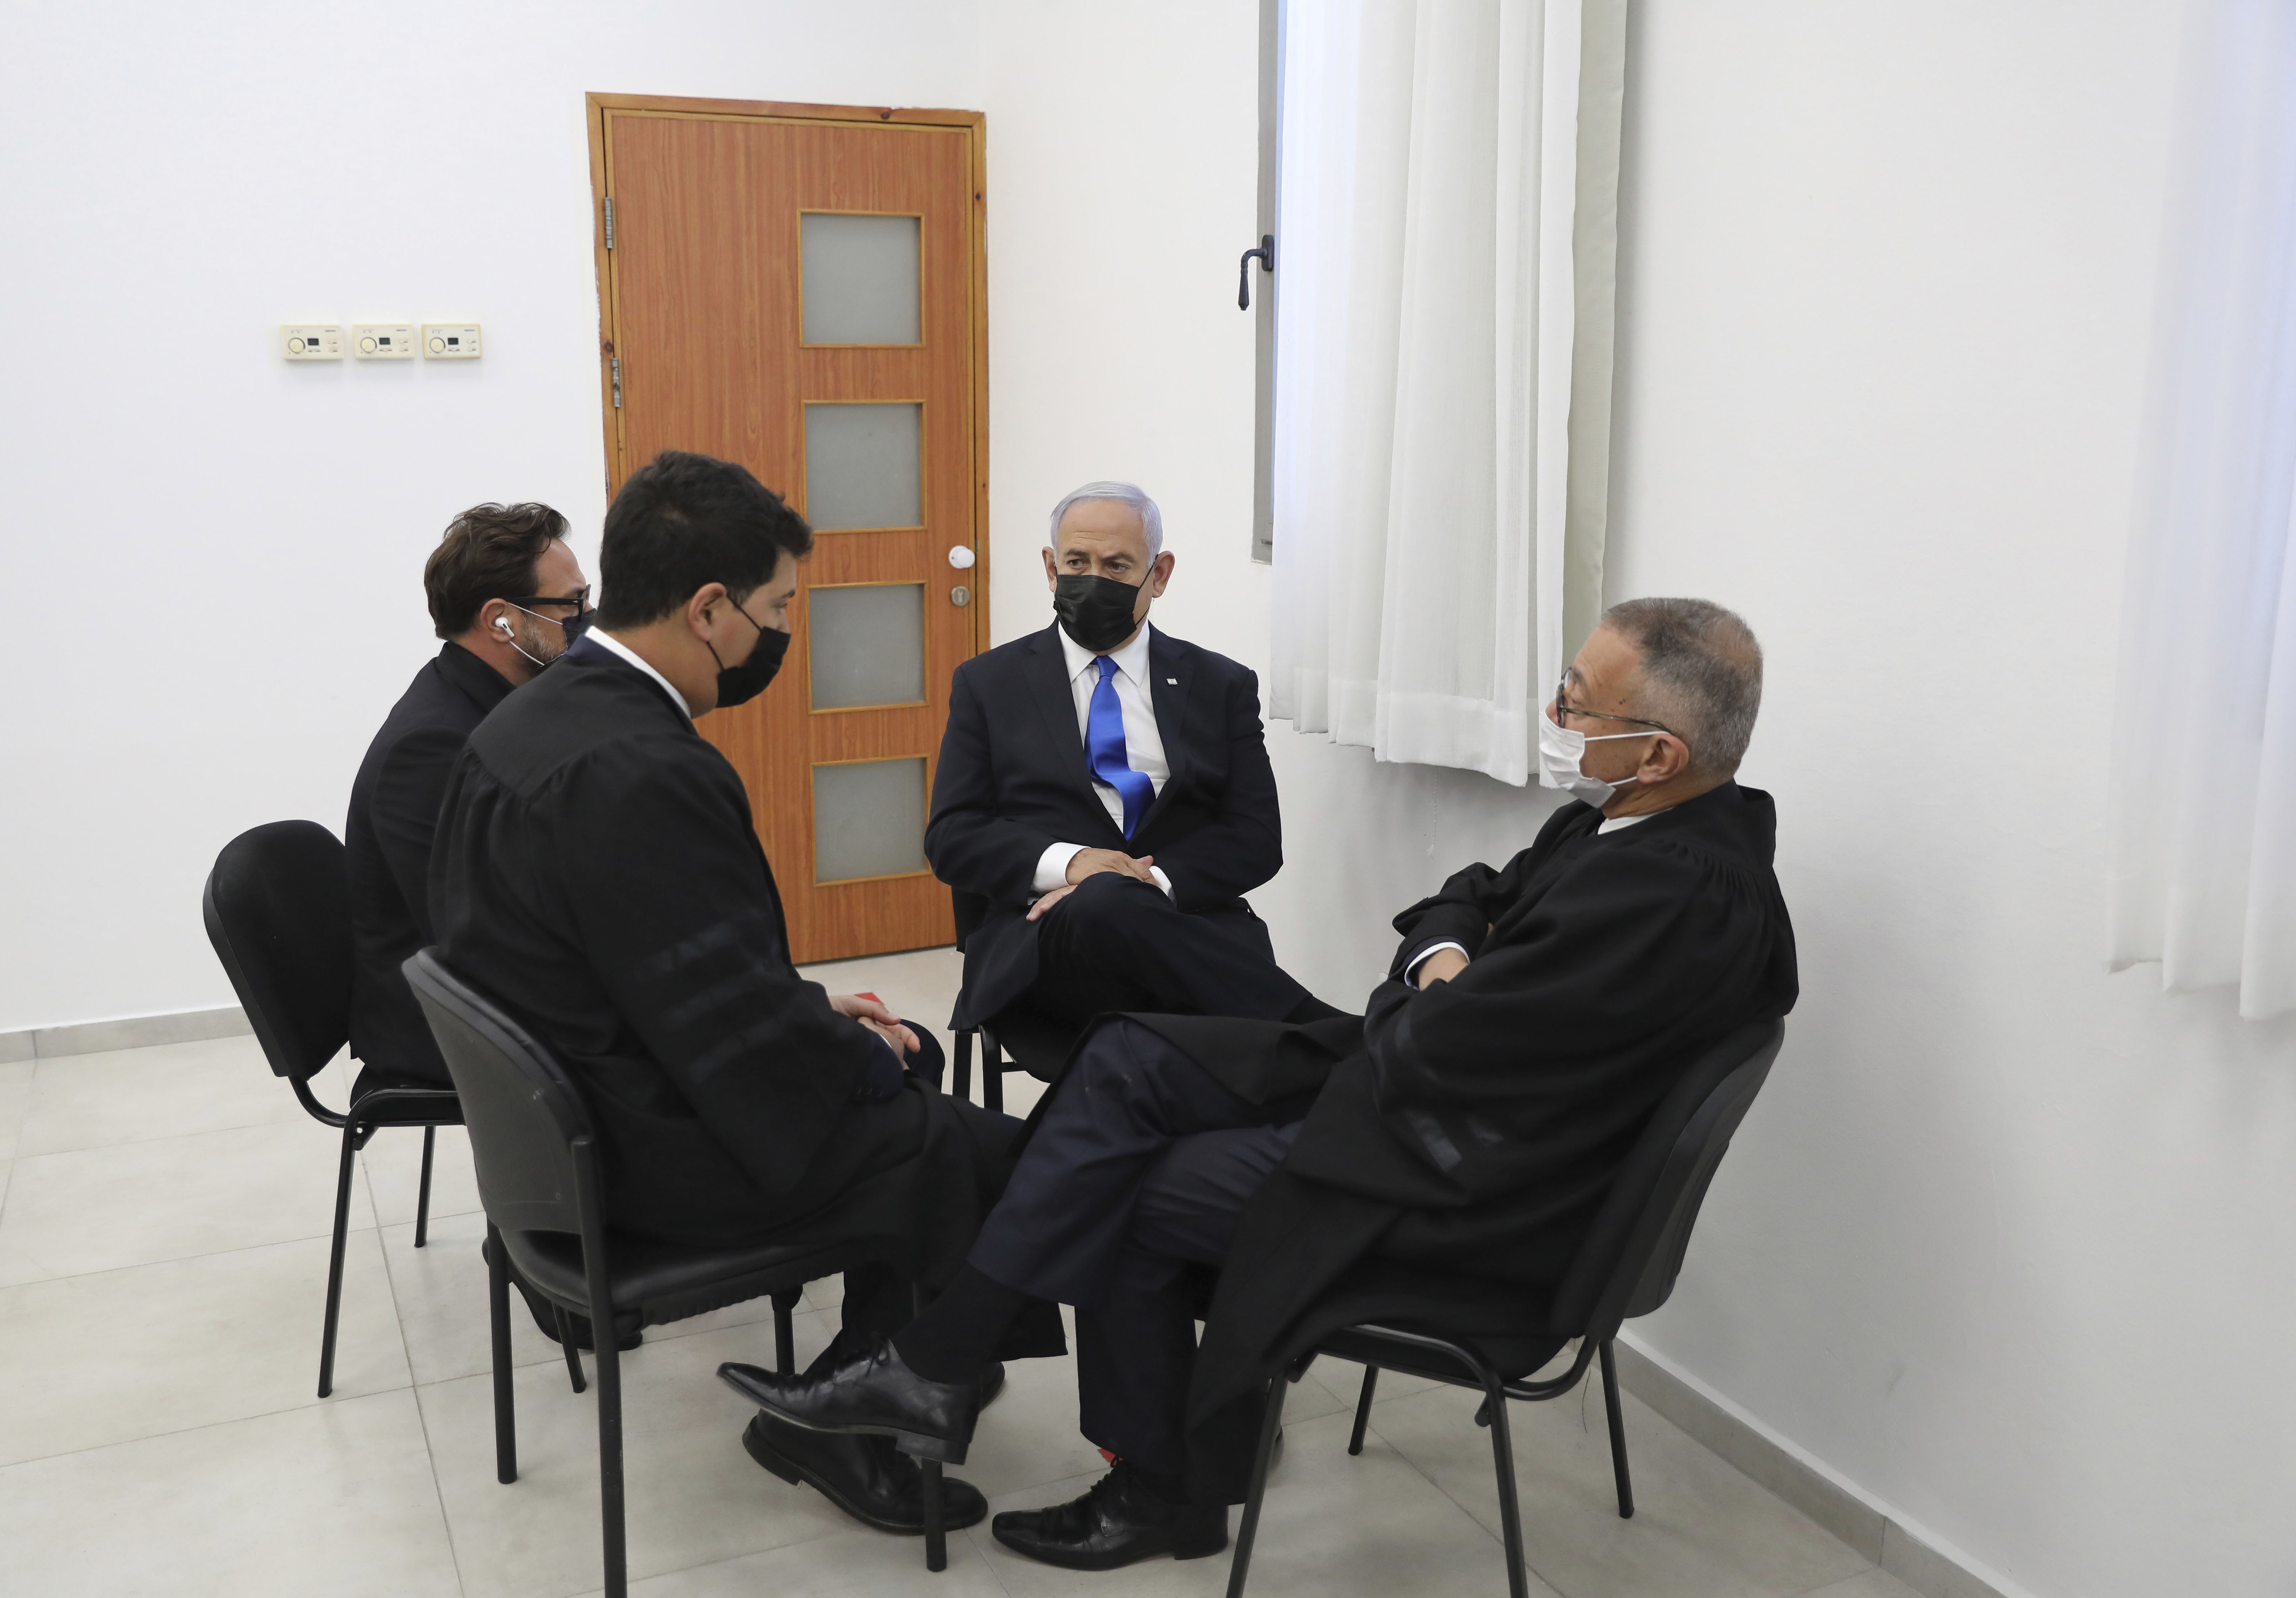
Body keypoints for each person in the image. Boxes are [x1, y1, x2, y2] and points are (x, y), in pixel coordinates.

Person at [721, 598, 1799, 1570]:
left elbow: (1442, 1039)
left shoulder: (1677, 896)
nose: (1557, 711)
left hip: (1467, 1193)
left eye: (1578, 700)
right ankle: (939, 1362)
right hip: (1422, 1109)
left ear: (1656, 752)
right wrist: (1443, 958)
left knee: (1127, 1183)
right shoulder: (1626, 824)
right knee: (1134, 1052)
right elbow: (1465, 898)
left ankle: (1154, 1490)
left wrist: (1434, 976)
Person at [427, 450, 1061, 1538]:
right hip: (633, 1153)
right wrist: (865, 1051)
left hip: (553, 1135)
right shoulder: (644, 768)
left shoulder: (527, 720)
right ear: (710, 608)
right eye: (779, 608)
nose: (782, 632)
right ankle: (856, 1414)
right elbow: (727, 1032)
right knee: (953, 1140)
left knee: (922, 1106)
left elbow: (662, 972)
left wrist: (813, 1015)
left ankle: (898, 1366)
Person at [928, 481, 1339, 1040]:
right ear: (1051, 568)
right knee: (1101, 906)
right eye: (1077, 561)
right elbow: (953, 836)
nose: (1094, 579)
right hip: (1046, 953)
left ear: (1160, 574)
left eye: (1118, 566)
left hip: (1186, 925)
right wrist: (1074, 866)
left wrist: (1152, 883)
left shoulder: (1220, 686)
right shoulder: (989, 684)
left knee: (1115, 912)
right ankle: (1327, 1035)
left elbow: (1256, 837)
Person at [346, 502, 587, 1091]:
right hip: (444, 1027)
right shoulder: (433, 745)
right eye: (572, 605)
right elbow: (481, 940)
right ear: (501, 621)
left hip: (490, 992)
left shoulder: (492, 708)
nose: (589, 620)